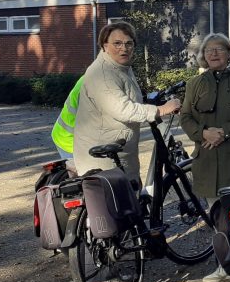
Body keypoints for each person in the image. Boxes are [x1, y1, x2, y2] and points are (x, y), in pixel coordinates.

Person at [181, 33, 230, 282]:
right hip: (207, 161)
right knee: (217, 218)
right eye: (209, 50)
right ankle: (223, 265)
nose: (214, 54)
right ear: (203, 56)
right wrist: (203, 133)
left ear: (229, 54)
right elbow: (186, 117)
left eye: (219, 49)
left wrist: (224, 132)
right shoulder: (195, 83)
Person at [73, 22, 181, 182]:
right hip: (104, 156)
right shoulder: (102, 73)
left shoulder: (121, 66)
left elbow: (128, 96)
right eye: (117, 43)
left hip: (120, 148)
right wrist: (161, 110)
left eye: (129, 43)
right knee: (119, 195)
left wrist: (151, 101)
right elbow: (122, 109)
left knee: (133, 190)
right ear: (105, 46)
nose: (124, 48)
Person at [51, 75, 84, 170]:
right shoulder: (94, 84)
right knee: (82, 174)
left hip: (65, 135)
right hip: (69, 140)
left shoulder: (90, 77)